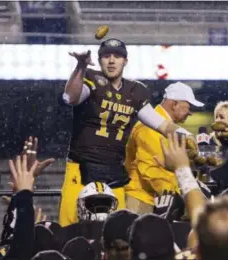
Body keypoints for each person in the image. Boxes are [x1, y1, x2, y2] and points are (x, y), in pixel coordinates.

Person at [59, 38, 196, 226]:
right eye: (106, 56)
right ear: (100, 61)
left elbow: (161, 124)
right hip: (82, 167)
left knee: (115, 231)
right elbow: (70, 97)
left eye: (117, 56)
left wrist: (187, 136)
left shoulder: (135, 92)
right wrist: (80, 67)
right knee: (71, 226)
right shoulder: (91, 78)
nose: (112, 60)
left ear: (125, 61)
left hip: (114, 171)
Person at [125, 82, 204, 214]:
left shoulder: (164, 127)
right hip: (141, 199)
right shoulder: (149, 127)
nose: (190, 113)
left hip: (154, 196)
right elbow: (150, 169)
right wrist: (180, 192)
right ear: (174, 104)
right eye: (188, 107)